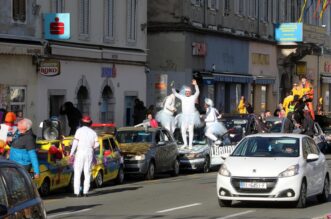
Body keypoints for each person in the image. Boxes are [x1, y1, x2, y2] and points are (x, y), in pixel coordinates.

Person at [70, 116, 99, 197]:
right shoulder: (93, 133)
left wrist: (71, 153)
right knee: (87, 172)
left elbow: (75, 143)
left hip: (80, 152)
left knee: (77, 172)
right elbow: (97, 145)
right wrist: (93, 153)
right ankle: (85, 192)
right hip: (89, 152)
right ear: (90, 123)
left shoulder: (79, 131)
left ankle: (77, 192)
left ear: (82, 122)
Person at [172, 79, 200, 149]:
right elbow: (175, 93)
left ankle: (190, 145)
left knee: (191, 131)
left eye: (188, 92)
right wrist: (172, 87)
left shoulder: (193, 97)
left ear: (190, 92)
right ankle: (185, 144)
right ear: (185, 92)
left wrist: (195, 85)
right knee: (183, 130)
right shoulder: (182, 97)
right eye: (186, 92)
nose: (187, 93)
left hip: (191, 117)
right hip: (184, 117)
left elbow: (198, 92)